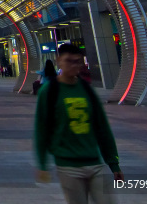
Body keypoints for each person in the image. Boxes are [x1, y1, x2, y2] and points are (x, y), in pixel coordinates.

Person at [35, 43, 123, 204]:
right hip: (68, 166)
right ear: (59, 61)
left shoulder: (87, 90)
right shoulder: (48, 91)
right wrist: (42, 164)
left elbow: (102, 127)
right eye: (69, 61)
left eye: (78, 61)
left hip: (95, 162)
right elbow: (41, 130)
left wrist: (113, 163)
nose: (74, 65)